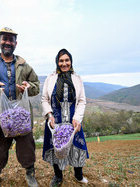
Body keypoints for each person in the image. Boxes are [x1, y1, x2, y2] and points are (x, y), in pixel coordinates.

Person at [0, 27, 40, 187]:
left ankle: (30, 175)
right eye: (5, 39)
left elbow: (36, 85)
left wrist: (28, 87)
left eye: (11, 40)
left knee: (27, 149)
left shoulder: (24, 65)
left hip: (21, 116)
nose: (8, 42)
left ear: (16, 43)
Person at [41, 48, 89, 186]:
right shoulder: (50, 79)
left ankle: (78, 175)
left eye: (66, 60)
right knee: (56, 147)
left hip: (73, 119)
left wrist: (77, 119)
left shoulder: (77, 79)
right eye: (61, 61)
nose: (64, 63)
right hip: (55, 120)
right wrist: (49, 115)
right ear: (57, 62)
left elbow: (81, 101)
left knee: (77, 146)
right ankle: (58, 176)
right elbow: (44, 99)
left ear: (71, 61)